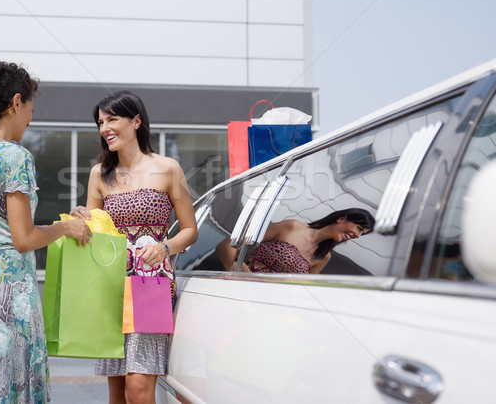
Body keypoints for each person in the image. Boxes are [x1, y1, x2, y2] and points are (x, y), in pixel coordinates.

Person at [0, 61, 92, 403]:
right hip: (9, 293)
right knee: (16, 391)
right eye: (31, 108)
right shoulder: (15, 157)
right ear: (16, 102)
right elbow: (23, 239)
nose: (31, 118)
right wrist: (64, 227)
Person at [70, 90, 198, 404]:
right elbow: (95, 234)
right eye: (101, 122)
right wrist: (81, 220)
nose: (105, 128)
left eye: (112, 119)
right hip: (111, 284)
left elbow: (191, 230)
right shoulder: (99, 174)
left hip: (151, 284)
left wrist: (165, 248)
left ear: (136, 121)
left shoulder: (168, 168)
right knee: (116, 389)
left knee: (138, 389)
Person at [216, 208, 375, 274]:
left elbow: (301, 292)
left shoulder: (323, 257)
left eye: (363, 234)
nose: (358, 236)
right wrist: (247, 278)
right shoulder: (292, 227)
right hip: (238, 293)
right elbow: (226, 246)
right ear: (341, 219)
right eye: (359, 229)